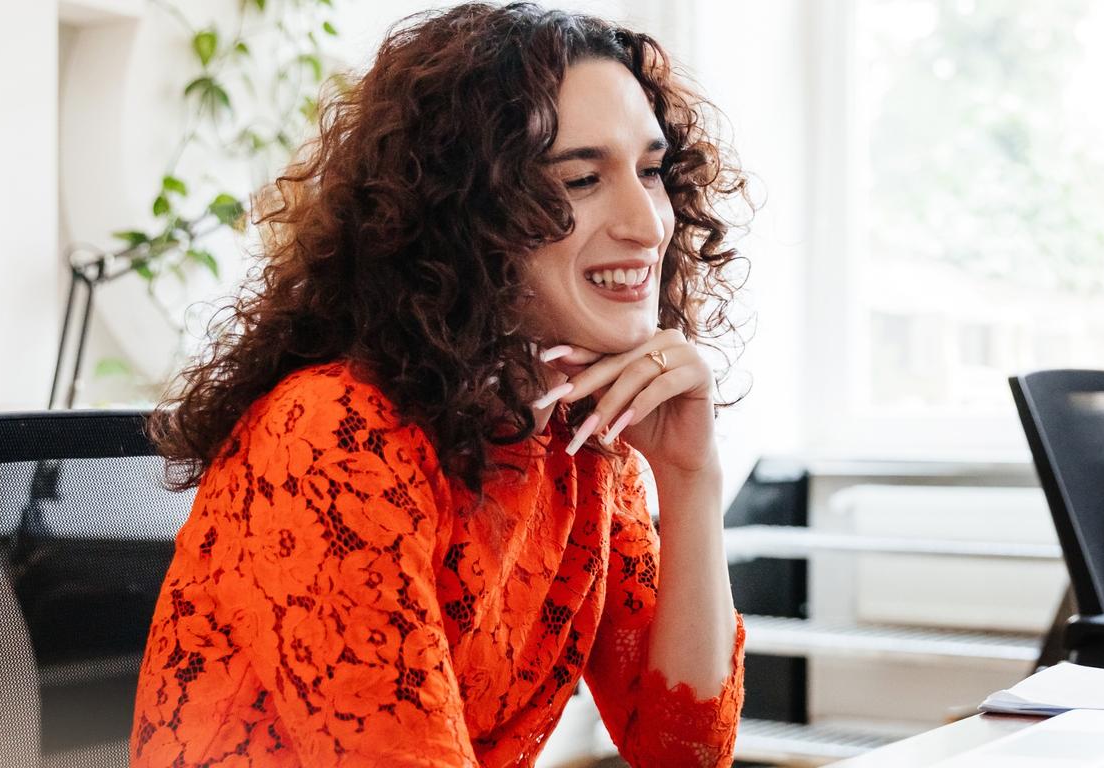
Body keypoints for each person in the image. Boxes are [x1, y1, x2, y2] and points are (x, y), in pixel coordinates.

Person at [129, 3, 749, 765]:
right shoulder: (331, 436)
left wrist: (690, 476)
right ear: (464, 213)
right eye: (582, 179)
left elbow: (684, 752)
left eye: (650, 172)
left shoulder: (574, 434)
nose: (649, 223)